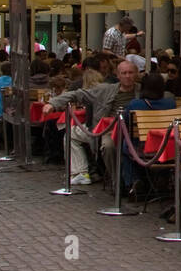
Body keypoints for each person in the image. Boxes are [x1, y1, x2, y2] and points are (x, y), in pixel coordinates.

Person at [43, 59, 140, 187]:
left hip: (137, 131)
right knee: (108, 146)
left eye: (131, 73)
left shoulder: (143, 90)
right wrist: (53, 103)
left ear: (136, 74)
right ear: (118, 75)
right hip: (110, 130)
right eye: (124, 73)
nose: (127, 76)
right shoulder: (106, 90)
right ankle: (117, 181)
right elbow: (78, 94)